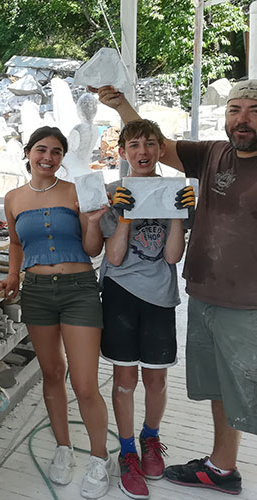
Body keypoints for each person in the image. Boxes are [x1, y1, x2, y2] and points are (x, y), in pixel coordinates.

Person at [97, 81, 257, 495]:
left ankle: (204, 459)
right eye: (235, 109)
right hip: (203, 293)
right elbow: (155, 145)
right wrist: (121, 105)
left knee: (246, 389)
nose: (243, 119)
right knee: (219, 385)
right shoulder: (212, 154)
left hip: (247, 301)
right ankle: (221, 468)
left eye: (254, 110)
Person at [0, 126, 114, 498]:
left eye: (56, 151)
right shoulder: (13, 198)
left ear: (62, 158)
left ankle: (98, 456)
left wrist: (92, 222)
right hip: (37, 292)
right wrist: (13, 275)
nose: (48, 157)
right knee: (52, 373)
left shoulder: (77, 192)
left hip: (79, 289)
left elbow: (92, 249)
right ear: (27, 153)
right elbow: (15, 242)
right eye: (41, 149)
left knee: (85, 382)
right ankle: (63, 448)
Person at [98, 119, 195, 498]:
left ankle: (150, 438)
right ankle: (126, 451)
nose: (142, 152)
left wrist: (177, 212)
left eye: (150, 144)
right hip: (121, 293)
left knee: (156, 378)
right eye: (134, 145)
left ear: (160, 150)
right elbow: (116, 257)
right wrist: (122, 216)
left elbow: (172, 255)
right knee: (124, 381)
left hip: (160, 297)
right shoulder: (112, 193)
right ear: (122, 152)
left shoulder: (175, 190)